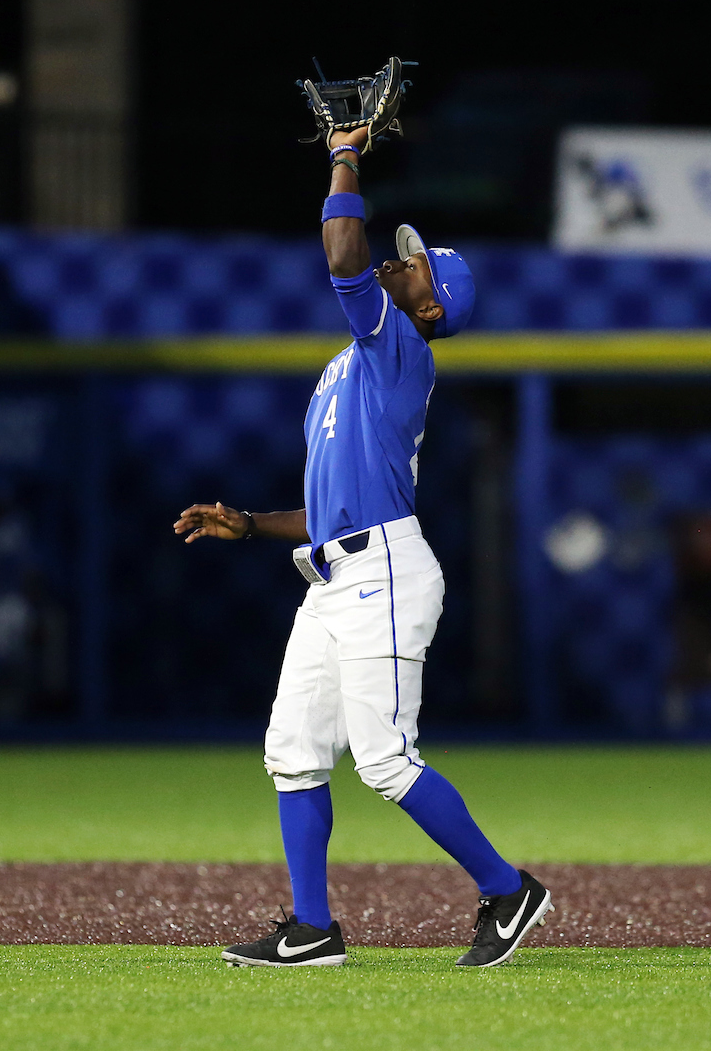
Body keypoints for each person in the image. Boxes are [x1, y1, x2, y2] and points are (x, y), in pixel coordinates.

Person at [174, 123, 553, 968]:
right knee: (291, 750)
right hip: (336, 572)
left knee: (384, 760)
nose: (399, 256)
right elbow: (325, 513)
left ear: (430, 308)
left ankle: (507, 888)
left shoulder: (398, 345)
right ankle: (312, 928)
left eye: (415, 263)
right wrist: (249, 522)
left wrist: (343, 156)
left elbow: (343, 253)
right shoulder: (350, 363)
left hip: (384, 571)